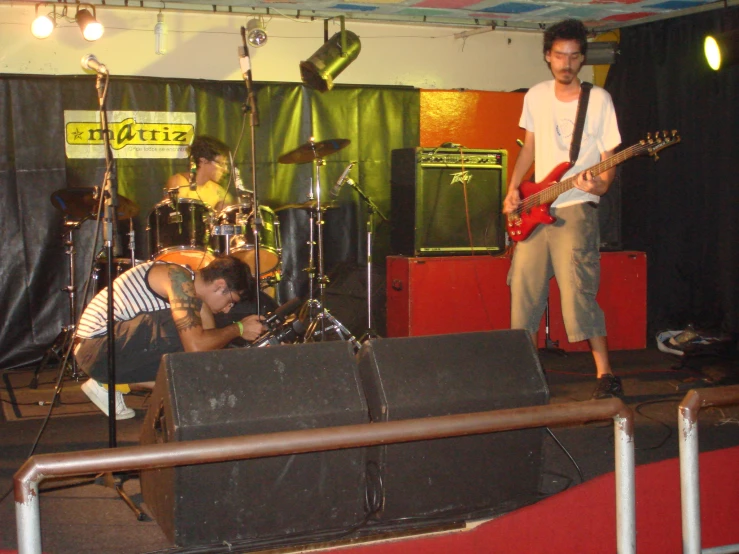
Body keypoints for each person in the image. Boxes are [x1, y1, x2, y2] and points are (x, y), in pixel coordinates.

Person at [502, 19, 623, 400]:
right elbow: (530, 148)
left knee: (578, 293)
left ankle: (605, 374)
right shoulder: (535, 95)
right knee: (522, 291)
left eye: (573, 56)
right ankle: (522, 374)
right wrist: (512, 192)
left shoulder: (599, 99)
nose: (566, 63)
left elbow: (610, 156)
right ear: (547, 57)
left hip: (575, 207)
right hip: (536, 205)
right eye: (559, 55)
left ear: (582, 58)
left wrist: (600, 184)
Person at [75, 255, 267, 419]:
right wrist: (238, 329)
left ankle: (113, 384)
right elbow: (196, 346)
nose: (227, 308)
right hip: (95, 347)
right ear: (219, 286)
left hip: (109, 349)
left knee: (197, 354)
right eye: (230, 301)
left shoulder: (195, 299)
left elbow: (201, 358)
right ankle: (107, 381)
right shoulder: (176, 276)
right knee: (186, 330)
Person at [166, 135, 237, 212]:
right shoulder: (179, 182)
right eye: (221, 164)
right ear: (203, 160)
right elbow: (179, 213)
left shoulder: (218, 191)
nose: (225, 170)